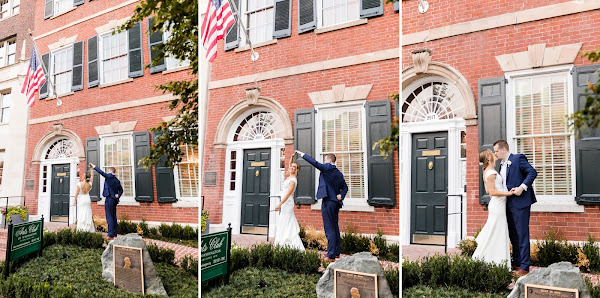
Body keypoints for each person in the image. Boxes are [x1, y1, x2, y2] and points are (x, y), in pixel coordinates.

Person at [493, 140, 537, 276]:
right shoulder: (501, 165)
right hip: (508, 203)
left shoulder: (517, 159)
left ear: (503, 150)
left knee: (522, 234)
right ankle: (517, 262)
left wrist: (521, 188)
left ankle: (525, 267)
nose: (495, 153)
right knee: (513, 234)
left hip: (521, 202)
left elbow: (532, 172)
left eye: (496, 151)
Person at [295, 150, 348, 262]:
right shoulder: (339, 173)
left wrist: (302, 154)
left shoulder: (327, 168)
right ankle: (336, 253)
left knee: (329, 229)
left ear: (328, 160)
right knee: (335, 227)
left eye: (325, 160)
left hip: (328, 201)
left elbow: (314, 162)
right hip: (335, 202)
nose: (324, 162)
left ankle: (330, 255)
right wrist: (341, 195)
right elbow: (345, 187)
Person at [472, 149, 514, 268]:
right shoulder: (491, 173)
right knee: (497, 231)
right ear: (489, 158)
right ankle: (494, 261)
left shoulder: (487, 171)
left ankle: (496, 261)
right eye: (492, 153)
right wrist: (508, 193)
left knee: (497, 231)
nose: (495, 154)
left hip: (497, 205)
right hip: (497, 206)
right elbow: (492, 192)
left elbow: (487, 191)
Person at [273, 156, 305, 251]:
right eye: (291, 166)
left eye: (294, 167)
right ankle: (282, 243)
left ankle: (291, 245)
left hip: (287, 203)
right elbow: (289, 165)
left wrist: (280, 204)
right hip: (285, 203)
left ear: (297, 170)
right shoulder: (290, 175)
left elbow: (288, 194)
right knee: (284, 222)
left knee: (287, 222)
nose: (291, 168)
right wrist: (291, 157)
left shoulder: (293, 180)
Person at [90, 163, 123, 240]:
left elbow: (101, 172)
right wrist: (118, 195)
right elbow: (121, 190)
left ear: (111, 171)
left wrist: (94, 166)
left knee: (109, 217)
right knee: (114, 216)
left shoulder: (109, 176)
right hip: (114, 200)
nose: (107, 172)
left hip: (109, 199)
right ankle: (115, 233)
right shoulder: (117, 180)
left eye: (108, 171)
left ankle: (110, 234)